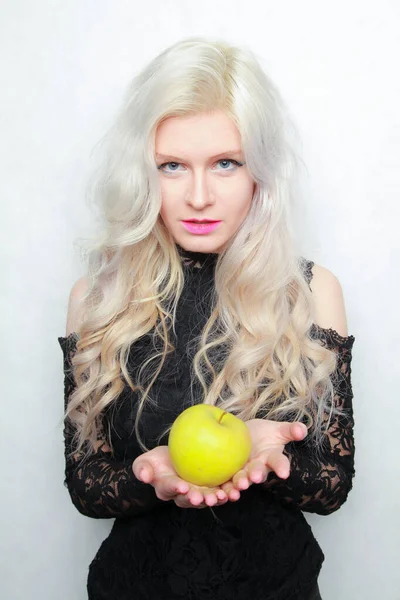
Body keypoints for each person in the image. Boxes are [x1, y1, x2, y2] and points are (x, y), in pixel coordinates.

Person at [58, 36, 356, 600]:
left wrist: (271, 457)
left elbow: (332, 487)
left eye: (225, 163)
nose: (199, 196)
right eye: (172, 166)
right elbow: (86, 489)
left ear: (259, 171)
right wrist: (153, 476)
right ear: (142, 174)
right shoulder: (96, 299)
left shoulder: (311, 291)